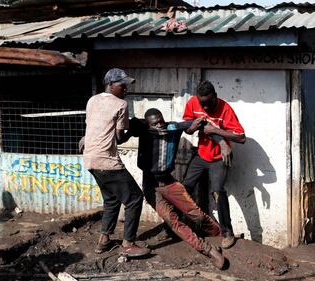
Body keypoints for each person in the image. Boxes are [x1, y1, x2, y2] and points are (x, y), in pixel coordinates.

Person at [129, 108, 231, 269]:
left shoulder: (173, 128)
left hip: (169, 182)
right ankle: (209, 250)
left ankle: (220, 235)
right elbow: (119, 127)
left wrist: (222, 142)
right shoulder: (143, 129)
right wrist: (90, 137)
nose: (160, 125)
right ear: (148, 124)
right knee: (173, 221)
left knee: (197, 215)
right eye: (155, 123)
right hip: (150, 186)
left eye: (161, 120)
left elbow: (202, 124)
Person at [83, 68, 150, 257]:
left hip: (90, 159)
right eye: (123, 85)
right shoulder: (121, 104)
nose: (126, 89)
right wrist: (134, 128)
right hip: (107, 161)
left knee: (112, 199)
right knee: (134, 198)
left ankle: (104, 241)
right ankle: (128, 243)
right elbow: (119, 139)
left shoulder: (92, 100)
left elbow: (96, 127)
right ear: (111, 85)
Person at [182, 80, 246, 250]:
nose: (207, 108)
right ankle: (181, 225)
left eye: (209, 103)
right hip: (201, 154)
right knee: (184, 188)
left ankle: (227, 232)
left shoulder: (225, 109)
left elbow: (241, 137)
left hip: (219, 158)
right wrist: (193, 126)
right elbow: (188, 128)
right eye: (203, 104)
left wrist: (217, 132)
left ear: (215, 97)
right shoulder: (193, 103)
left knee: (217, 191)